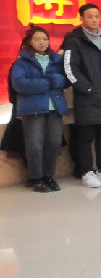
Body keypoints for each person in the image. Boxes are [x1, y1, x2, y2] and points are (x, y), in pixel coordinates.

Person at [63, 4, 101, 188]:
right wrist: (87, 88)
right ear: (82, 18)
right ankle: (86, 172)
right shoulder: (75, 41)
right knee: (85, 137)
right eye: (89, 16)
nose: (94, 19)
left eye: (97, 16)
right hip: (88, 98)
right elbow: (70, 69)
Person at [11, 26, 67, 192]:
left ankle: (48, 176)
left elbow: (65, 80)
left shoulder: (56, 60)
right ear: (30, 42)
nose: (42, 42)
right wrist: (47, 83)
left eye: (44, 39)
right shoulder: (21, 62)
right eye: (37, 39)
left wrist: (57, 81)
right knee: (34, 145)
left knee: (54, 143)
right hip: (32, 109)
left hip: (54, 107)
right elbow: (19, 84)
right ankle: (36, 178)